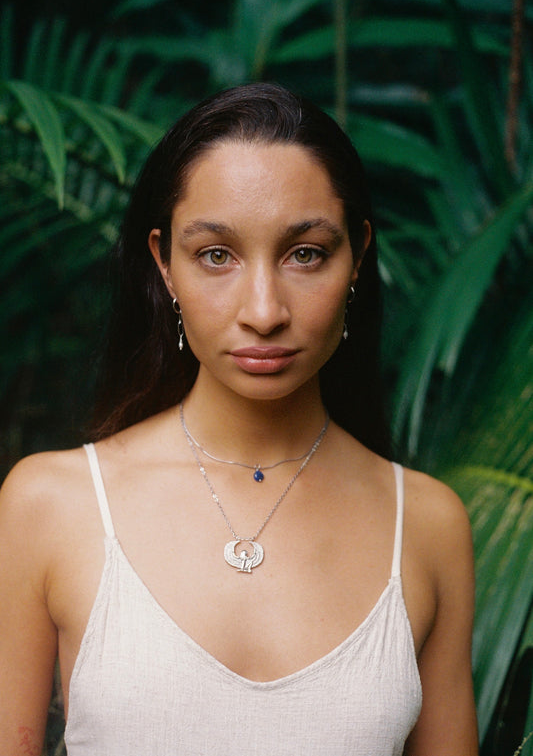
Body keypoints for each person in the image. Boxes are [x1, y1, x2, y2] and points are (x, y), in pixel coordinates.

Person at [0, 83, 478, 755]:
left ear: (357, 258)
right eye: (216, 254)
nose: (263, 309)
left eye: (304, 252)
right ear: (164, 263)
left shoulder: (427, 524)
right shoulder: (52, 504)